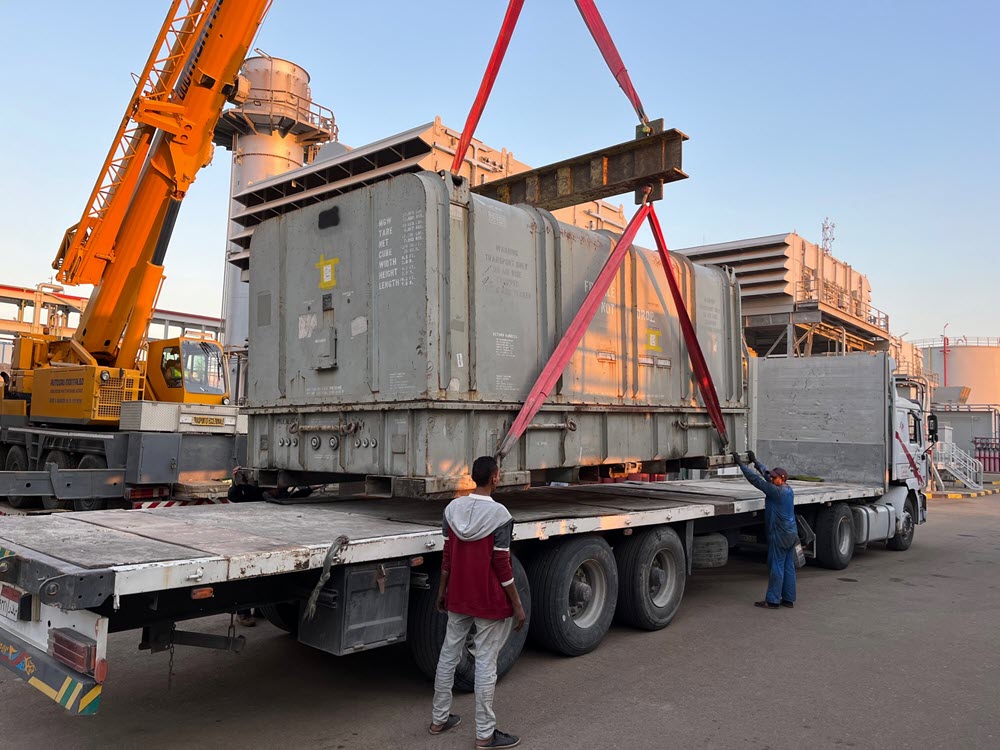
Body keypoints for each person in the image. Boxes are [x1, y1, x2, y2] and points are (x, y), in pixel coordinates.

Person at [429, 456, 526, 749]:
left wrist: (442, 591)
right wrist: (518, 605)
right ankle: (485, 733)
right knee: (485, 661)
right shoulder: (500, 515)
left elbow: (447, 557)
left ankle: (438, 719)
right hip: (488, 599)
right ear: (495, 477)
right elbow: (502, 565)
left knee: (449, 653)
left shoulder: (452, 509)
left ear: (473, 477)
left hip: (458, 595)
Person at [733, 450, 799, 609]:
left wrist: (741, 465)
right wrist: (756, 462)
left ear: (781, 480)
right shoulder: (787, 489)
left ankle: (773, 600)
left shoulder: (776, 491)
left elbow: (756, 480)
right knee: (788, 566)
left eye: (774, 477)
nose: (771, 478)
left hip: (780, 534)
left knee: (776, 565)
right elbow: (765, 475)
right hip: (791, 533)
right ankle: (789, 599)